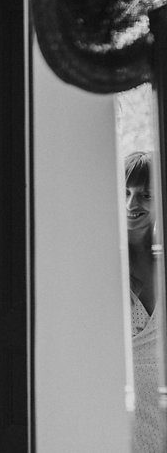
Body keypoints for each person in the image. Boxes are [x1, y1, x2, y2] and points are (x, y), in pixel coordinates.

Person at [124, 151, 166, 451]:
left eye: (144, 195)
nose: (131, 204)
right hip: (122, 410)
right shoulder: (102, 263)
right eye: (125, 192)